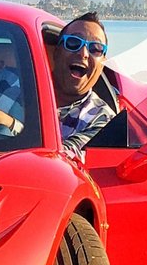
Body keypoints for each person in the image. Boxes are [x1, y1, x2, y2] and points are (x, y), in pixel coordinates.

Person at [46, 12, 115, 160]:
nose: (83, 53)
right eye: (73, 43)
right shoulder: (12, 81)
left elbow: (58, 158)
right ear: (56, 52)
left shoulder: (104, 120)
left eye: (95, 48)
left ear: (102, 64)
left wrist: (9, 123)